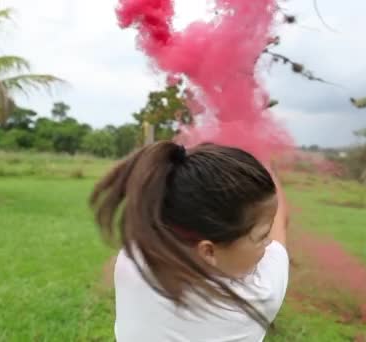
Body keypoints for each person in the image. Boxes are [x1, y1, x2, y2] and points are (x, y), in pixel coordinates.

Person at [90, 141, 289, 341]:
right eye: (262, 237)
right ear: (208, 251)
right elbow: (280, 229)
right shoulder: (256, 297)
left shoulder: (134, 259)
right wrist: (269, 168)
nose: (267, 246)